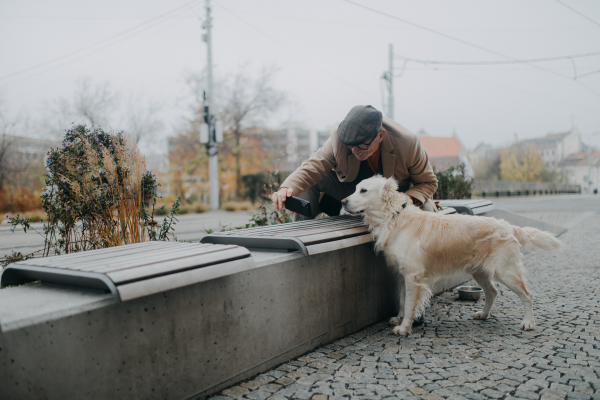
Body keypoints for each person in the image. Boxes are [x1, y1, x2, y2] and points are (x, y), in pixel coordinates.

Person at [272, 105, 438, 220]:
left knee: (428, 211)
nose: (354, 151)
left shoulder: (407, 142)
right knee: (308, 181)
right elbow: (314, 165)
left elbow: (428, 183)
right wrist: (287, 188)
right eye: (350, 146)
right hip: (353, 190)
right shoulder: (339, 138)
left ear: (380, 135)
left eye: (361, 145)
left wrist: (408, 198)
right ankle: (302, 235)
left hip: (393, 196)